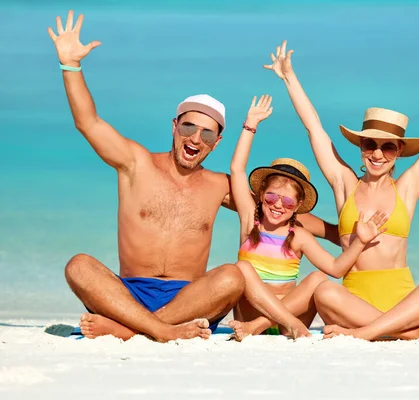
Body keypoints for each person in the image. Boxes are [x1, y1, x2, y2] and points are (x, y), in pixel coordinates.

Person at [47, 11, 337, 342]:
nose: (196, 139)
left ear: (217, 143)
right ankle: (155, 329)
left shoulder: (218, 186)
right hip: (129, 292)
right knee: (78, 266)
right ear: (174, 126)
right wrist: (70, 67)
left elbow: (280, 210)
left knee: (231, 276)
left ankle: (130, 329)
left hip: (192, 299)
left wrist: (342, 235)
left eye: (208, 134)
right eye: (189, 127)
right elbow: (89, 123)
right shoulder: (135, 163)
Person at [264, 40, 419, 341]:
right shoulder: (344, 184)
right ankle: (409, 333)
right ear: (360, 147)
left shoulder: (406, 188)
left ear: (399, 152)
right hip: (353, 298)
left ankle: (369, 332)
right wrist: (289, 77)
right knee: (325, 290)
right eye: (370, 144)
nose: (377, 154)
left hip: (401, 299)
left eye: (387, 147)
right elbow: (314, 129)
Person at [227, 95, 389, 341]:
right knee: (242, 268)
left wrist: (360, 242)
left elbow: (336, 269)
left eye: (288, 201)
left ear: (298, 206)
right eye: (271, 198)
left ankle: (260, 326)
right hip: (252, 313)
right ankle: (258, 323)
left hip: (286, 322)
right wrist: (251, 125)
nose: (278, 206)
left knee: (317, 278)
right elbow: (237, 170)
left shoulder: (298, 236)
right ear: (261, 195)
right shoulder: (250, 221)